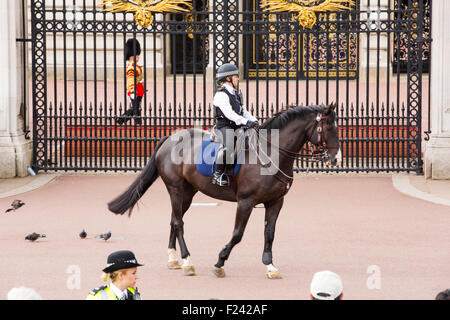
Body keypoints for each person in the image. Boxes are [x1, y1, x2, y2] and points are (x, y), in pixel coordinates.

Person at [212, 63, 259, 186]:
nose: (238, 78)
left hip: (237, 126)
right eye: (236, 76)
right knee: (229, 146)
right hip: (224, 126)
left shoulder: (237, 94)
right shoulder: (221, 94)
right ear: (228, 78)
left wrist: (254, 121)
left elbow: (244, 112)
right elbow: (230, 114)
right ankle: (218, 174)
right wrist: (245, 122)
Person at [116, 38, 145, 125]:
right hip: (134, 90)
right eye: (137, 56)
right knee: (135, 108)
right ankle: (127, 120)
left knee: (136, 107)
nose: (138, 57)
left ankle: (125, 120)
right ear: (132, 56)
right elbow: (131, 80)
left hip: (139, 90)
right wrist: (132, 90)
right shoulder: (131, 68)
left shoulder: (136, 66)